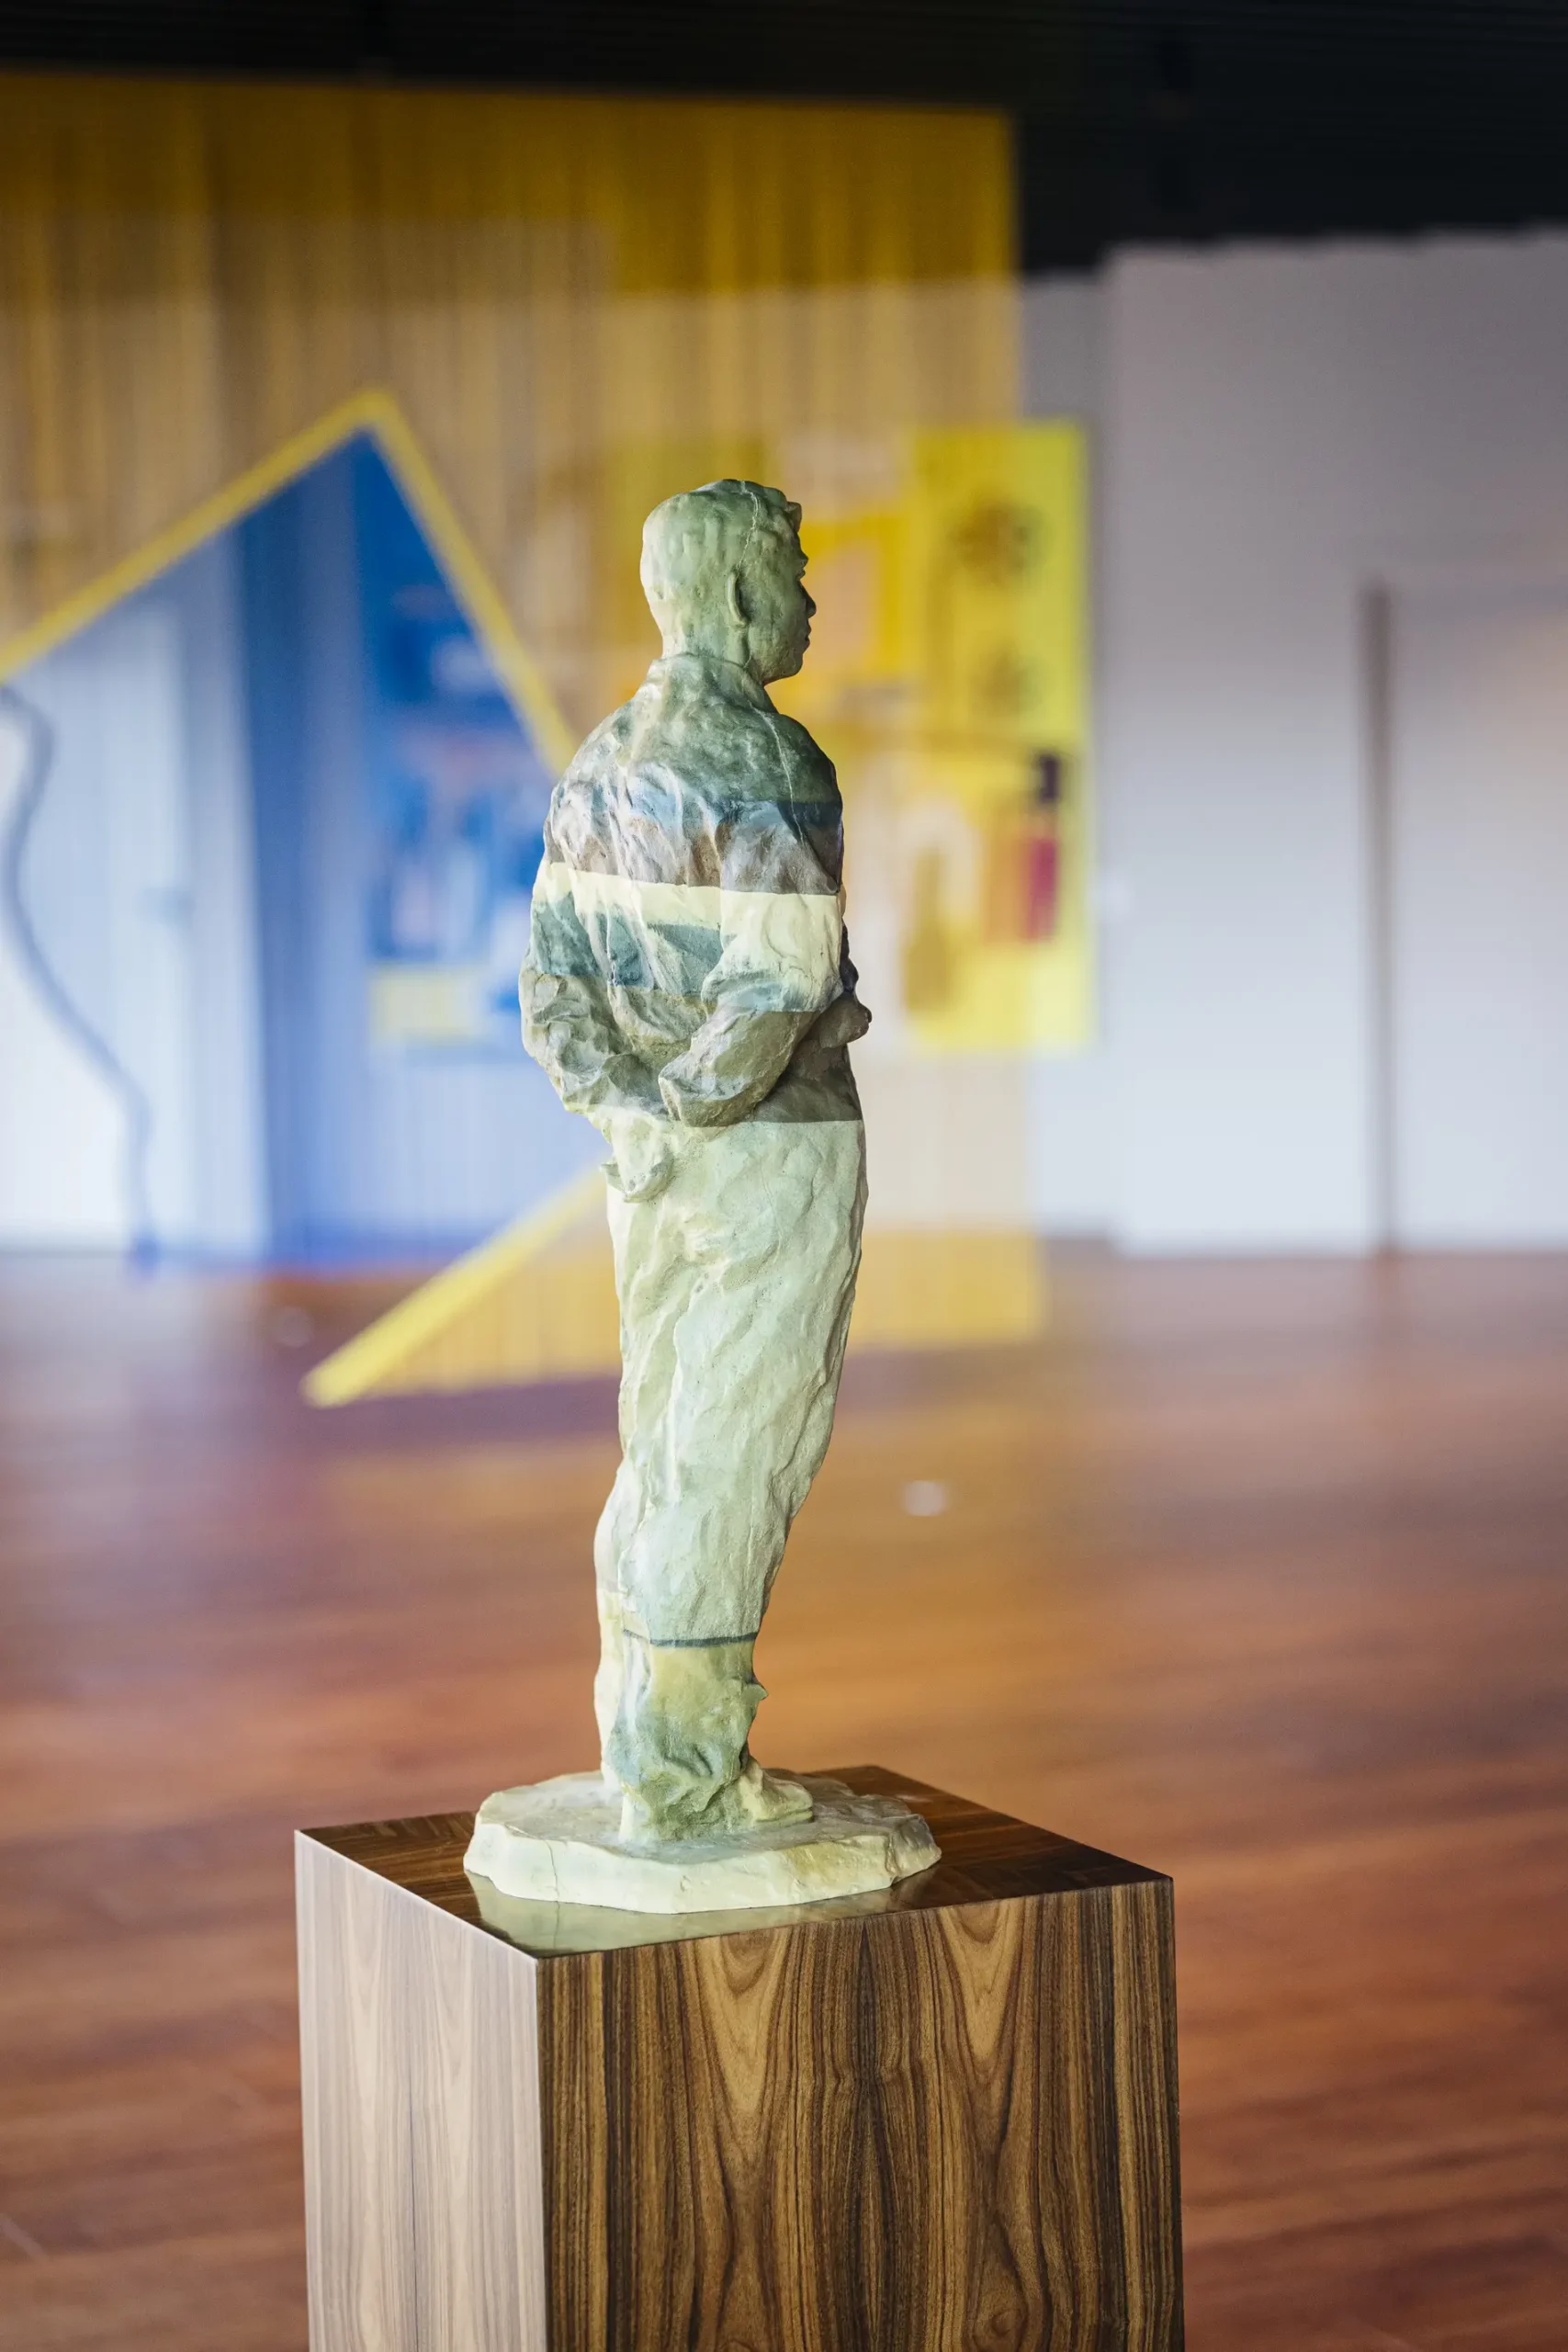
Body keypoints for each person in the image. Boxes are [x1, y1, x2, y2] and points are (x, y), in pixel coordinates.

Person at [520, 479, 869, 1839]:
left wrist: (628, 1119)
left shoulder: (599, 760)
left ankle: (639, 1735)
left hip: (646, 1174)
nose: (808, 600)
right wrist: (689, 1110)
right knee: (743, 1445)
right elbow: (778, 989)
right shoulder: (774, 764)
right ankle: (685, 1775)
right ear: (734, 594)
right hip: (769, 1157)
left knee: (661, 1439)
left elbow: (550, 985)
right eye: (792, 574)